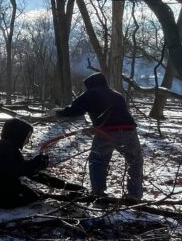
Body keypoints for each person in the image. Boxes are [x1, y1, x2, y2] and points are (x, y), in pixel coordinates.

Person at [55, 73, 143, 201]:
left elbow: (74, 110)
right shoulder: (117, 95)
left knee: (98, 161)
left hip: (105, 132)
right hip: (128, 130)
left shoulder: (90, 93)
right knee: (134, 161)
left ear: (91, 84)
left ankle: (98, 194)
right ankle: (134, 195)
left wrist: (58, 112)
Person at [0, 119, 79, 208]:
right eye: (27, 137)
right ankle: (70, 198)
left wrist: (65, 185)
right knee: (39, 198)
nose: (28, 141)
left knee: (37, 195)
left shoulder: (10, 147)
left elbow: (30, 173)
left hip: (5, 189)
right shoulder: (3, 149)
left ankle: (71, 196)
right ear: (18, 135)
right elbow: (13, 170)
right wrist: (34, 164)